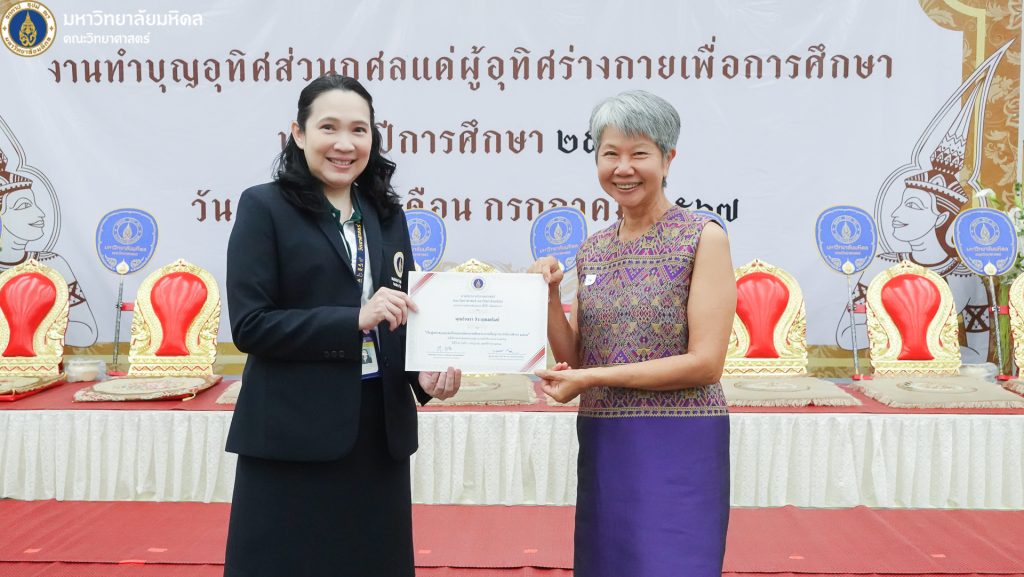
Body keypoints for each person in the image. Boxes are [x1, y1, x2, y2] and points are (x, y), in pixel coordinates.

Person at [224, 74, 461, 577]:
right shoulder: (264, 207)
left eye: (359, 130)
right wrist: (352, 319)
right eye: (328, 127)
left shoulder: (386, 214)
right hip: (293, 436)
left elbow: (398, 318)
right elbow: (251, 325)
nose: (345, 143)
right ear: (299, 133)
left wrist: (423, 377)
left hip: (377, 434)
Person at [530, 90, 736, 577]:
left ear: (668, 159)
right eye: (610, 154)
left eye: (639, 153)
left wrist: (592, 378)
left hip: (679, 441)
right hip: (606, 439)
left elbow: (706, 363)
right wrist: (549, 296)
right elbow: (578, 356)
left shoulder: (702, 236)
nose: (623, 168)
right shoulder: (593, 249)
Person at [0, 150, 98, 346]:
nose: (40, 213)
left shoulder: (52, 264)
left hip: (40, 361)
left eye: (35, 204)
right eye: (24, 206)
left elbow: (86, 332)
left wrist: (27, 327)